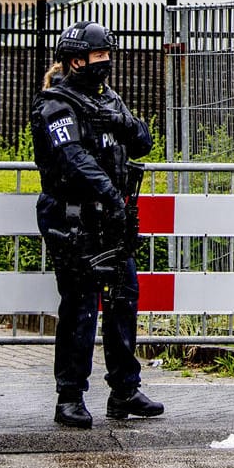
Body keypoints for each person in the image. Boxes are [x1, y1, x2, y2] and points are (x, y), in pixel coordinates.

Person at [31, 21, 163, 428]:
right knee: (80, 306)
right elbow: (72, 157)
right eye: (97, 56)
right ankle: (69, 396)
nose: (105, 62)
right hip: (74, 217)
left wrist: (121, 123)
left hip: (112, 220)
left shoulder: (109, 100)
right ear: (76, 60)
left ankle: (124, 390)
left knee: (124, 300)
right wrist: (107, 191)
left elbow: (142, 141)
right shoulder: (56, 104)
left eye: (108, 54)